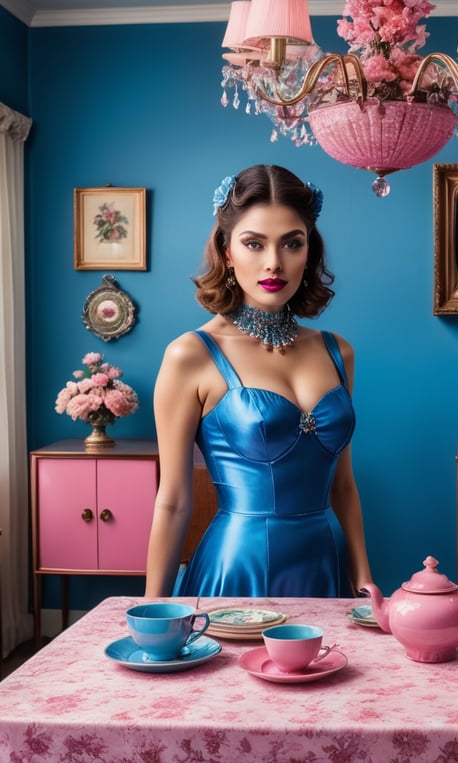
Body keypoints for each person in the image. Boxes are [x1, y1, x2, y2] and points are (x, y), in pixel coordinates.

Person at [145, 164, 373, 599]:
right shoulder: (190, 355)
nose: (274, 263)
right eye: (254, 243)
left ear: (309, 251)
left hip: (325, 563)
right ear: (227, 251)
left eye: (292, 243)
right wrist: (152, 612)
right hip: (237, 570)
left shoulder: (338, 351)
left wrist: (363, 578)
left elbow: (343, 484)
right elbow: (173, 501)